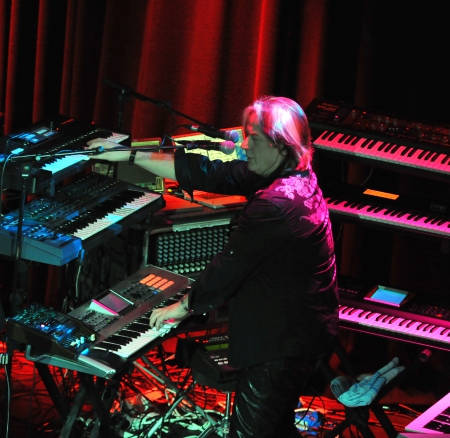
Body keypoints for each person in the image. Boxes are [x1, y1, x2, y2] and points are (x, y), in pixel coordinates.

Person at [87, 95, 339, 437]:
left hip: (283, 344)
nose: (244, 146)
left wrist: (182, 307)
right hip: (302, 332)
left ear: (280, 144)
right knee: (276, 428)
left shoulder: (276, 205)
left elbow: (228, 267)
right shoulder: (294, 175)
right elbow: (210, 172)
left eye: (254, 138)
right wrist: (125, 154)